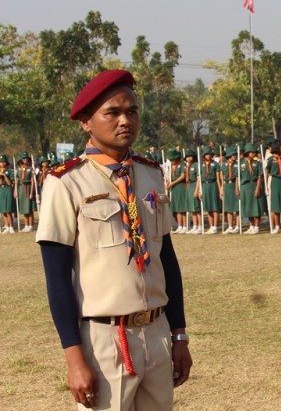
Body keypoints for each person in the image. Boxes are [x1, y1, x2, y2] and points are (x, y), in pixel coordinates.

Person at [35, 69, 191, 410]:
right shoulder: (66, 182)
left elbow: (166, 259)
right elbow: (57, 278)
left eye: (132, 111)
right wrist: (74, 356)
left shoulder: (150, 174)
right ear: (86, 122)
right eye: (113, 113)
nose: (125, 121)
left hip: (157, 331)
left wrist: (179, 333)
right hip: (105, 338)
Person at [239, 143, 263, 234]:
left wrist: (257, 188)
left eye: (254, 152)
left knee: (256, 207)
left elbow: (260, 176)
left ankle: (257, 226)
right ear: (247, 153)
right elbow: (238, 177)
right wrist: (238, 188)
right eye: (251, 152)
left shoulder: (257, 163)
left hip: (254, 185)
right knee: (248, 207)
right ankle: (251, 226)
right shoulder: (241, 163)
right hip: (245, 186)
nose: (253, 154)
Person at [200, 146, 222, 234]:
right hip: (205, 185)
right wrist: (200, 190)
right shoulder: (201, 165)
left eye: (209, 154)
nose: (208, 156)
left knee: (214, 206)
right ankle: (211, 226)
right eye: (206, 154)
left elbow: (218, 178)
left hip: (213, 185)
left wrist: (220, 189)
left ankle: (215, 226)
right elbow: (200, 178)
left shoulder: (215, 164)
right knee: (208, 207)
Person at [166, 149, 188, 233]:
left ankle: (185, 226)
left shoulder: (182, 164)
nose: (172, 161)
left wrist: (173, 183)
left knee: (182, 208)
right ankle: (180, 225)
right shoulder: (170, 166)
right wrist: (168, 182)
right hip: (173, 189)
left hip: (180, 187)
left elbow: (183, 176)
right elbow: (168, 176)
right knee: (176, 208)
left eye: (173, 159)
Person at [222, 147, 241, 233]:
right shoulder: (224, 165)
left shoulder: (238, 164)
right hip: (227, 185)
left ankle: (237, 226)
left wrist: (237, 188)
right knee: (228, 207)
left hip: (235, 184)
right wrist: (221, 189)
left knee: (237, 207)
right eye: (233, 155)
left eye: (235, 154)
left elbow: (237, 177)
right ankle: (230, 226)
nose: (235, 156)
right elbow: (222, 177)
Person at [15, 151, 36, 232]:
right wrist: (15, 191)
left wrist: (31, 192)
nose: (25, 160)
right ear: (21, 160)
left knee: (29, 208)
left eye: (26, 158)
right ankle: (26, 225)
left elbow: (33, 181)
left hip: (28, 187)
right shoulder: (18, 169)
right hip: (21, 188)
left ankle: (30, 225)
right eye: (24, 159)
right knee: (24, 208)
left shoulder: (31, 169)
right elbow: (17, 181)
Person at [0, 154, 15, 233]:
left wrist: (4, 175)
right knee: (3, 210)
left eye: (3, 162)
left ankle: (11, 226)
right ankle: (7, 226)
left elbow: (10, 183)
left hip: (8, 189)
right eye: (1, 162)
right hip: (1, 190)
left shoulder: (9, 171)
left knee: (8, 209)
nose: (2, 163)